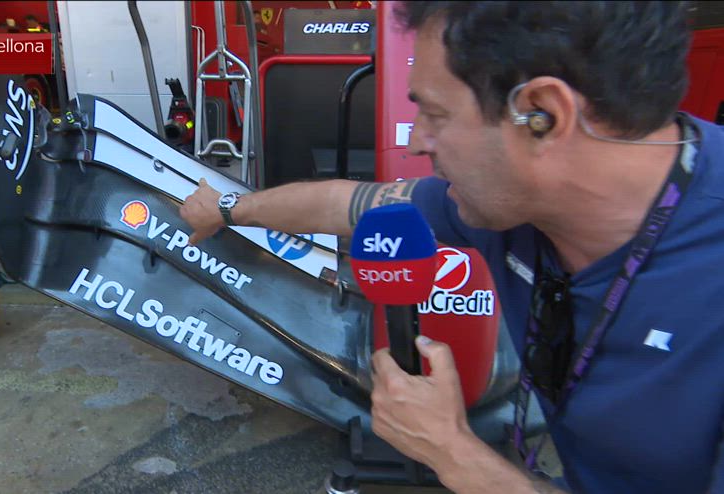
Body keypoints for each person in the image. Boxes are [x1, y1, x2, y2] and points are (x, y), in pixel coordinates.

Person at [180, 1, 724, 493]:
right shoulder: (505, 200)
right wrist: (227, 209)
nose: (417, 140)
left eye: (436, 115)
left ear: (543, 115)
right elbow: (346, 203)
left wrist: (455, 454)